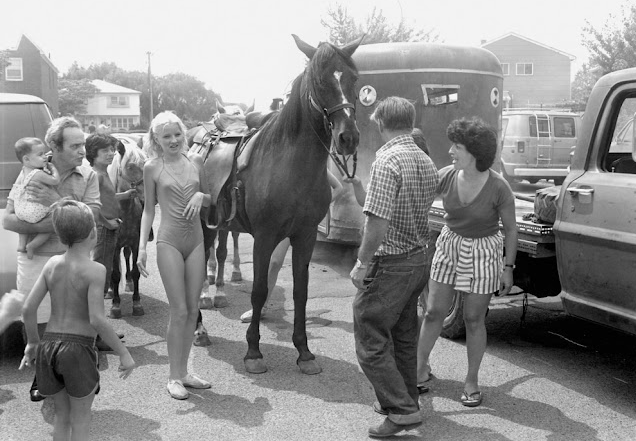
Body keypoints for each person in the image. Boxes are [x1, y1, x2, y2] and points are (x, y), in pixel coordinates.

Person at [350, 97, 438, 438]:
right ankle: (408, 401)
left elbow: (377, 223)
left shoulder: (387, 161)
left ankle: (400, 411)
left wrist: (362, 263)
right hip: (418, 258)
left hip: (392, 263)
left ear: (381, 122)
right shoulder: (424, 159)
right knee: (403, 336)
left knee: (370, 334)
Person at [416, 117, 517, 408]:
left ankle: (471, 380)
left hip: (484, 250)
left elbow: (511, 229)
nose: (450, 150)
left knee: (473, 319)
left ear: (473, 151)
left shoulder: (498, 187)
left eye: (456, 146)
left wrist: (507, 268)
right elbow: (418, 196)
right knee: (434, 311)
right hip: (449, 245)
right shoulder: (446, 175)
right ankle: (419, 369)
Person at [2, 116, 101, 402]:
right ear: (54, 147)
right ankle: (44, 375)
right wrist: (63, 218)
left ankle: (83, 374)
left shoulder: (89, 175)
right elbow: (9, 220)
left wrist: (53, 201)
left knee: (81, 321)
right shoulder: (30, 171)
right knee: (40, 321)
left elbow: (91, 218)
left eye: (83, 144)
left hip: (76, 260)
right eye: (75, 145)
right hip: (35, 259)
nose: (83, 150)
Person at [19, 200, 135, 441]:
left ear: (60, 237)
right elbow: (97, 320)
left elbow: (29, 308)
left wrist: (32, 342)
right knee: (81, 417)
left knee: (62, 416)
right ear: (94, 233)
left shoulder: (52, 264)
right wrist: (123, 352)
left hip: (48, 348)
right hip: (78, 350)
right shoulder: (95, 270)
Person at [137, 111, 212, 400]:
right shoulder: (151, 167)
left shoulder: (196, 161)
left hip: (195, 241)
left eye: (177, 134)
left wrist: (200, 196)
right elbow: (148, 210)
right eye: (166, 136)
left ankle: (184, 373)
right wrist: (143, 246)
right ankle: (173, 377)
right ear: (156, 139)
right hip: (168, 241)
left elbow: (210, 199)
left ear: (184, 133)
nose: (173, 140)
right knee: (179, 310)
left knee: (193, 311)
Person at [238, 170, 343, 323]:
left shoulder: (318, 165)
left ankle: (300, 311)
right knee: (274, 262)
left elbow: (339, 188)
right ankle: (260, 307)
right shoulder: (290, 163)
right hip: (287, 221)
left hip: (305, 224)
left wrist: (319, 209)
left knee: (301, 267)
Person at [85, 134, 136, 299]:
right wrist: (107, 223)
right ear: (93, 153)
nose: (111, 153)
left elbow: (107, 197)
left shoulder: (104, 173)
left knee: (105, 272)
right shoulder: (97, 176)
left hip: (110, 228)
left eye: (112, 149)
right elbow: (91, 205)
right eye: (105, 150)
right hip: (103, 230)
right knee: (101, 274)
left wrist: (126, 195)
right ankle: (93, 315)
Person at [344, 127, 429, 207]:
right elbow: (367, 201)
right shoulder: (430, 171)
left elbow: (368, 202)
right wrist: (357, 183)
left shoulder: (391, 170)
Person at [12, 137, 60, 259]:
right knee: (51, 224)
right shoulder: (38, 174)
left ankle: (22, 244)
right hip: (34, 211)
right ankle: (32, 246)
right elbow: (55, 181)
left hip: (20, 210)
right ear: (26, 159)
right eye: (40, 155)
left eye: (44, 153)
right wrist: (53, 168)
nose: (45, 157)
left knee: (23, 224)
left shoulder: (24, 171)